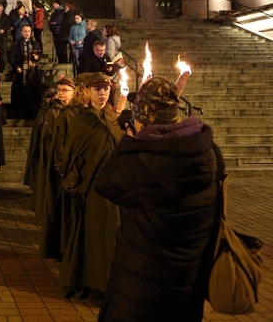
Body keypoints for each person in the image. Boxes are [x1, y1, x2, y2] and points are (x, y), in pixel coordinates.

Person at [94, 76, 224, 321]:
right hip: (188, 281)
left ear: (142, 119)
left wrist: (129, 139)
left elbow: (105, 183)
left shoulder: (142, 162)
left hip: (143, 285)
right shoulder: (208, 151)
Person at [59, 72, 124, 300]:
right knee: (92, 237)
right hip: (91, 189)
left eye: (105, 89)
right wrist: (75, 185)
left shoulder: (116, 120)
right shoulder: (81, 120)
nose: (102, 93)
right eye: (97, 89)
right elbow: (72, 156)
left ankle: (109, 282)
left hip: (115, 190)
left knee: (111, 237)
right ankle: (91, 281)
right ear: (87, 91)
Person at [35, 77, 75, 260]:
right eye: (59, 90)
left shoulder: (74, 112)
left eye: (65, 90)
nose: (61, 93)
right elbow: (49, 140)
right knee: (57, 208)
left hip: (69, 166)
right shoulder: (53, 112)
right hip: (57, 167)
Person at [10, 25, 42, 120]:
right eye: (25, 31)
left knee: (33, 93)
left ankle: (32, 114)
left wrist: (37, 58)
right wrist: (16, 67)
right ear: (21, 32)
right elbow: (11, 58)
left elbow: (39, 55)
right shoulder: (16, 44)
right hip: (20, 71)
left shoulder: (35, 44)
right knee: (20, 93)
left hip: (32, 73)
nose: (27, 33)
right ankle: (20, 114)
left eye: (29, 31)